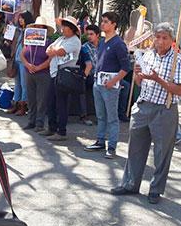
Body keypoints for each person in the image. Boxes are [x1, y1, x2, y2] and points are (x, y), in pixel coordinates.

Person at [110, 22, 181, 205]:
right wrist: (138, 75)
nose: (160, 41)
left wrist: (157, 78)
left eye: (164, 38)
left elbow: (180, 90)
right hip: (143, 106)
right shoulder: (147, 56)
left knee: (162, 152)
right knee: (135, 148)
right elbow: (139, 83)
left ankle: (155, 190)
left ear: (171, 40)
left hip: (164, 109)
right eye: (157, 37)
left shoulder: (178, 60)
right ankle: (130, 183)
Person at [84, 12, 131, 159]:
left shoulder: (119, 44)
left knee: (112, 117)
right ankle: (100, 141)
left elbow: (126, 67)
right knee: (100, 115)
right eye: (102, 21)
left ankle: (112, 146)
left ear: (113, 24)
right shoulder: (103, 42)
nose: (102, 24)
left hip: (110, 85)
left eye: (105, 21)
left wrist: (113, 81)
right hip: (98, 83)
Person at [40, 16, 81, 141]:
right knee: (51, 102)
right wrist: (54, 51)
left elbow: (61, 52)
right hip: (55, 74)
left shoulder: (74, 41)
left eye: (65, 26)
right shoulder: (60, 38)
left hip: (65, 74)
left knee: (61, 104)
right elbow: (48, 50)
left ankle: (61, 131)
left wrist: (54, 51)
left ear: (72, 29)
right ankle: (52, 128)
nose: (62, 28)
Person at [21, 16, 53, 131]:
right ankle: (31, 121)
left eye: (41, 27)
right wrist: (28, 65)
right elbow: (22, 55)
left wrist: (39, 67)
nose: (38, 28)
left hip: (43, 73)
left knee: (41, 98)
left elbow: (50, 59)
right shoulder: (29, 40)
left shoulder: (49, 42)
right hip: (29, 72)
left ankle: (39, 123)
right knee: (31, 98)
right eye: (36, 26)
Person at [7, 11, 34, 116]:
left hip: (24, 60)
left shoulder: (30, 31)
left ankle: (23, 106)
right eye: (19, 18)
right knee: (17, 83)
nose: (20, 20)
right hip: (16, 59)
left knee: (24, 84)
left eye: (22, 18)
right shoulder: (18, 31)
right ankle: (16, 104)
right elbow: (11, 42)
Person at [78, 24, 101, 126]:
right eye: (87, 34)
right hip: (90, 75)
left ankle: (120, 114)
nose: (89, 36)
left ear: (98, 35)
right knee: (81, 87)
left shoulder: (103, 45)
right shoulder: (84, 47)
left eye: (91, 34)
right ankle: (84, 116)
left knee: (125, 86)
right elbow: (88, 65)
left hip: (103, 75)